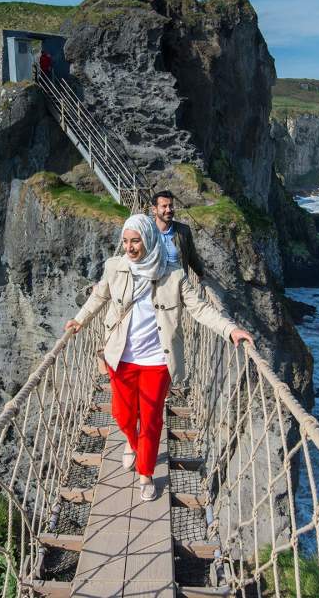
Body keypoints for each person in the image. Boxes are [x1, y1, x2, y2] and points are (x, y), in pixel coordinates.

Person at [64, 214, 253, 502]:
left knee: (151, 420)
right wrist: (79, 320)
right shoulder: (115, 268)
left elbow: (200, 309)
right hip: (121, 357)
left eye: (135, 240)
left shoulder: (174, 275)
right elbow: (98, 297)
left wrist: (230, 330)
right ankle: (131, 442)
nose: (129, 247)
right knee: (123, 416)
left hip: (156, 361)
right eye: (125, 241)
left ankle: (146, 474)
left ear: (149, 239)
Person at [151, 189, 205, 279]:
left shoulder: (183, 231)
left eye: (171, 205)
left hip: (178, 286)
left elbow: (192, 256)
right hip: (154, 286)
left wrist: (201, 274)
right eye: (164, 206)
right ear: (154, 209)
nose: (168, 210)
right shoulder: (146, 231)